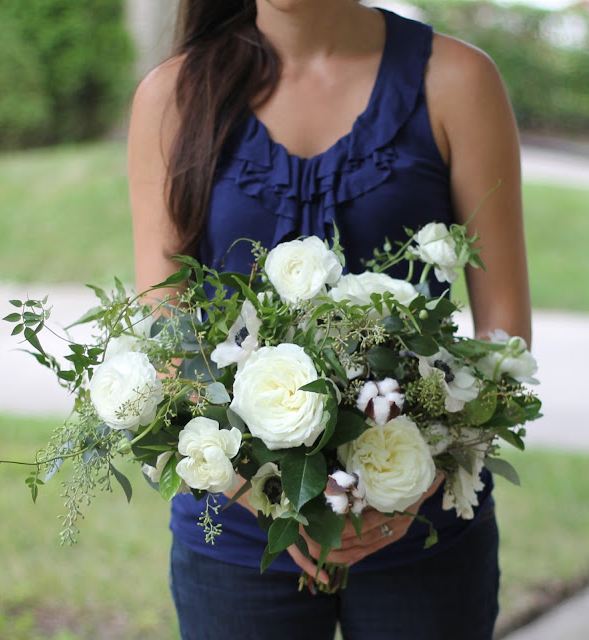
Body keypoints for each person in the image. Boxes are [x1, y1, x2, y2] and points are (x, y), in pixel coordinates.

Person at [127, 1, 531, 639]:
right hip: (236, 534)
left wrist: (410, 487)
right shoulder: (174, 97)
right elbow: (167, 335)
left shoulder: (456, 81)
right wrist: (262, 490)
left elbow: (503, 329)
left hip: (421, 530)